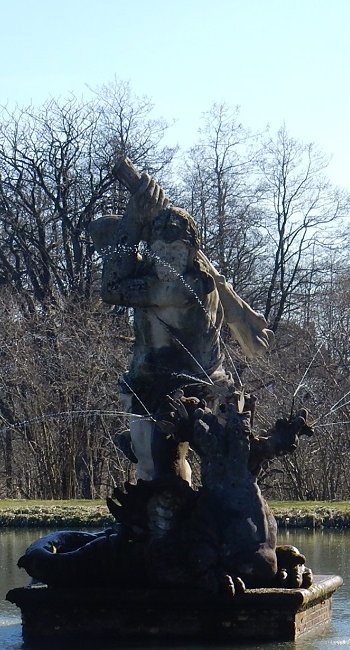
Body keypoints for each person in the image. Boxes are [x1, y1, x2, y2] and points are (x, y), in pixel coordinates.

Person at [92, 174, 229, 482]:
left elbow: (112, 287)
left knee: (169, 468)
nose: (167, 257)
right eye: (160, 249)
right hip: (150, 384)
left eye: (175, 250)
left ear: (192, 253)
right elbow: (100, 230)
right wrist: (134, 217)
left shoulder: (188, 287)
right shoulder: (155, 277)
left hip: (195, 388)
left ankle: (192, 522)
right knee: (150, 468)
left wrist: (135, 217)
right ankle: (154, 525)